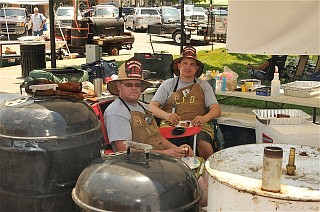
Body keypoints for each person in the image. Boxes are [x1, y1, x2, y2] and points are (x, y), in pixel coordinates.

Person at [104, 57, 193, 158]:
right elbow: (124, 150)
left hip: (156, 158)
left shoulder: (143, 107)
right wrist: (165, 154)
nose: (134, 88)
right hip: (138, 165)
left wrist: (177, 149)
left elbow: (157, 138)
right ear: (119, 86)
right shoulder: (116, 112)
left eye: (137, 84)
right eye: (129, 84)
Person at [149, 46, 221, 160]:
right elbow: (152, 107)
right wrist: (167, 116)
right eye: (185, 63)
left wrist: (205, 118)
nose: (188, 67)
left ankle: (207, 172)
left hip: (198, 126)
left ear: (197, 68)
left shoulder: (204, 86)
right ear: (178, 66)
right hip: (171, 125)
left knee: (203, 144)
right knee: (161, 144)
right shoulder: (168, 84)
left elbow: (216, 109)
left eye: (192, 64)